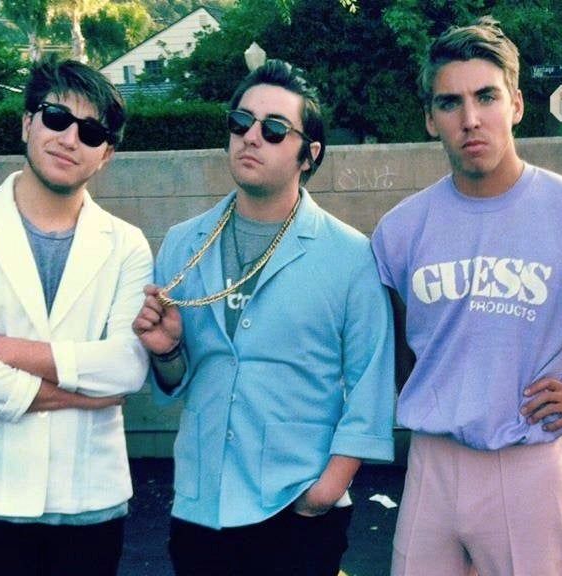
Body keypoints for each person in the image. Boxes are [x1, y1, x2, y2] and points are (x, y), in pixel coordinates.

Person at [370, 16, 562, 576]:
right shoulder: (400, 230)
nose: (470, 118)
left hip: (526, 467)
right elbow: (401, 350)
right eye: (450, 102)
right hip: (430, 464)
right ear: (430, 118)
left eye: (486, 96)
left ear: (515, 104)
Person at [131, 59, 396, 576]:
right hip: (203, 505)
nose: (251, 137)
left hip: (297, 508)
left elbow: (371, 384)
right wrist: (167, 352)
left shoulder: (348, 255)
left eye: (274, 129)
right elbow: (179, 380)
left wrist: (324, 493)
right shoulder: (184, 244)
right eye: (241, 122)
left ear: (309, 154)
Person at [0, 57, 151, 575]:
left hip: (88, 499)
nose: (70, 139)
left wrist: (5, 350)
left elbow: (126, 368)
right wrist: (80, 394)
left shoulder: (127, 245)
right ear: (27, 123)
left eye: (91, 131)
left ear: (106, 154)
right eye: (56, 118)